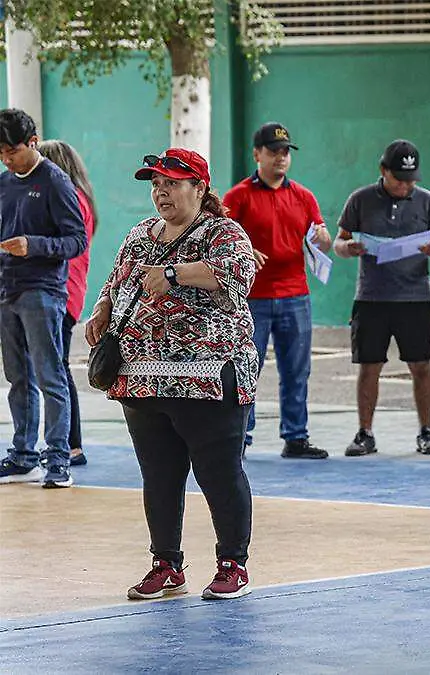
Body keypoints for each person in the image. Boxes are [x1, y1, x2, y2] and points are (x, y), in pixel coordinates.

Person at [86, 148, 258, 600]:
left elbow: (237, 274)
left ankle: (233, 564)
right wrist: (102, 309)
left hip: (208, 379)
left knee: (219, 473)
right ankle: (166, 563)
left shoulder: (223, 232)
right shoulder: (140, 234)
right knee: (159, 476)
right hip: (141, 377)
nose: (161, 192)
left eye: (172, 183)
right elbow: (116, 280)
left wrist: (173, 273)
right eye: (156, 184)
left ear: (199, 188)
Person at [334, 139, 430, 457]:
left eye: (410, 179)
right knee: (369, 366)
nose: (405, 185)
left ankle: (427, 431)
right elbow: (339, 243)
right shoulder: (360, 200)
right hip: (372, 297)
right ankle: (365, 432)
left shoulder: (428, 202)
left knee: (421, 365)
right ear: (383, 171)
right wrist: (349, 248)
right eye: (399, 179)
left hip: (415, 298)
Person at [225, 122, 332, 460]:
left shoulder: (303, 196)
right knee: (246, 369)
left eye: (285, 152)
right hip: (252, 298)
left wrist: (323, 239)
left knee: (296, 371)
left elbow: (321, 236)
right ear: (257, 154)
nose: (281, 158)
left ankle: (296, 437)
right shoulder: (238, 197)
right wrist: (245, 249)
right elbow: (222, 238)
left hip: (295, 295)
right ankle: (240, 438)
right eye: (273, 152)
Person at [0, 109, 87, 489]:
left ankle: (58, 460)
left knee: (50, 377)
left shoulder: (55, 182)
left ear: (32, 142)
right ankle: (23, 457)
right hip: (7, 291)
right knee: (17, 378)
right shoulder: (4, 183)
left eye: (12, 151)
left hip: (43, 292)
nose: (6, 159)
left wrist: (33, 245)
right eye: (1, 153)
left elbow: (76, 241)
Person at [39, 140, 98, 468]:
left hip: (59, 291)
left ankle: (70, 444)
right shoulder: (77, 198)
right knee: (55, 367)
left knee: (56, 369)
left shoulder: (68, 198)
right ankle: (67, 442)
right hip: (65, 291)